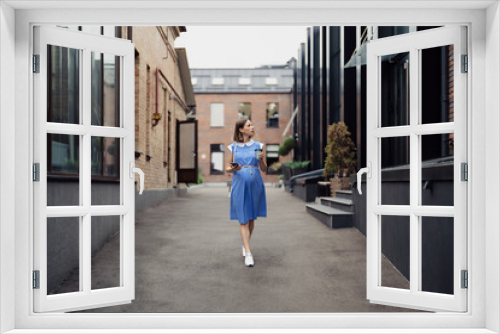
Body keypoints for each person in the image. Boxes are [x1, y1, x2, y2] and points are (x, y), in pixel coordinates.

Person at [225, 119, 267, 267]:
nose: (252, 127)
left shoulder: (259, 146)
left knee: (250, 219)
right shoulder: (233, 148)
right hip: (239, 184)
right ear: (241, 130)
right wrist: (234, 168)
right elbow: (227, 168)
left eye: (252, 125)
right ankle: (248, 253)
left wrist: (261, 160)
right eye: (249, 125)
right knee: (243, 219)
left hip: (256, 185)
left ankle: (245, 244)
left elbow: (264, 168)